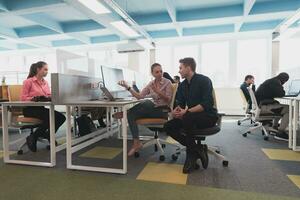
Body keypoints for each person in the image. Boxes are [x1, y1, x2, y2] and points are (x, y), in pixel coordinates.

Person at [164, 57, 218, 174]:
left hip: (208, 116)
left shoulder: (204, 80)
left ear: (188, 68)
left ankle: (190, 156)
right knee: (168, 126)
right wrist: (176, 111)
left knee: (188, 117)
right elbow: (181, 104)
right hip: (191, 117)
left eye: (181, 68)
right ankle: (196, 149)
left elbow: (207, 104)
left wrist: (186, 112)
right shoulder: (183, 85)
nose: (179, 71)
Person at [118, 63, 173, 156]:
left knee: (147, 103)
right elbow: (139, 96)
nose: (160, 73)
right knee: (132, 114)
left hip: (162, 111)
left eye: (161, 71)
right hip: (153, 109)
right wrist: (128, 87)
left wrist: (158, 92)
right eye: (157, 72)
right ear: (152, 74)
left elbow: (169, 99)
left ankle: (126, 112)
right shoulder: (151, 84)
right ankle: (136, 142)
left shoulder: (168, 82)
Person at [21, 61, 66, 152]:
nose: (47, 71)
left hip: (40, 108)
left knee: (61, 117)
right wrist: (34, 98)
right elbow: (23, 98)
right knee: (50, 118)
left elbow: (48, 94)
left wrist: (51, 96)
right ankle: (35, 136)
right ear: (38, 69)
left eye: (47, 70)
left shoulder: (45, 83)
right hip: (29, 110)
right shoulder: (28, 82)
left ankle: (44, 135)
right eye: (45, 69)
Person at [255, 72, 289, 141]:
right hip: (263, 107)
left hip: (260, 106)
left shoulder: (271, 81)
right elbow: (281, 93)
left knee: (279, 106)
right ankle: (280, 132)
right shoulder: (275, 82)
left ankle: (275, 127)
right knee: (290, 108)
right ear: (284, 80)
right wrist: (281, 86)